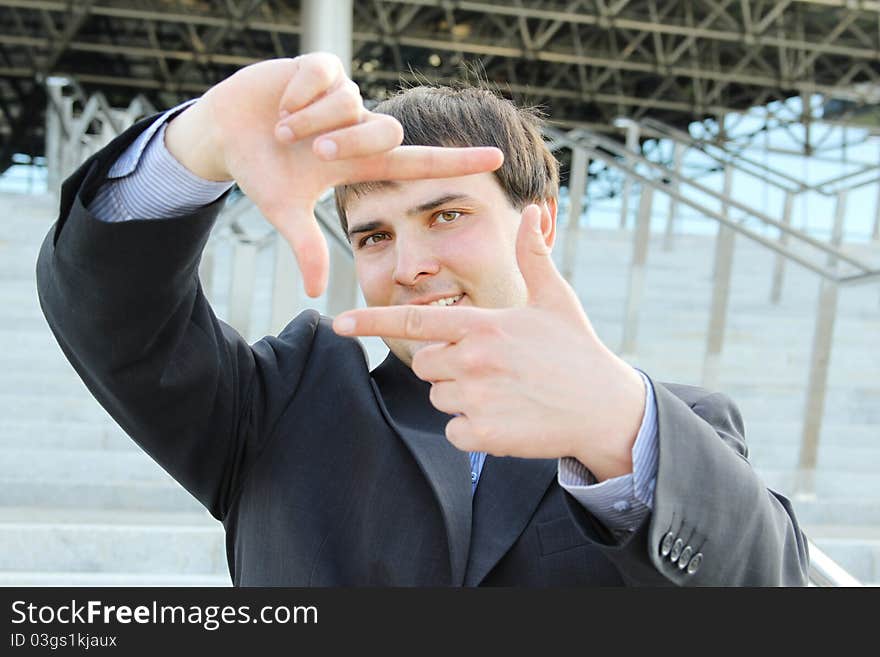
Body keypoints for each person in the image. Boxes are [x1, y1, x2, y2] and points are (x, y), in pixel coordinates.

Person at [36, 53, 809, 586]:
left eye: (446, 214)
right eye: (374, 234)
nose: (408, 264)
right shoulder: (279, 404)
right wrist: (196, 145)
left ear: (538, 223)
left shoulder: (670, 429)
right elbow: (112, 317)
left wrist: (616, 423)